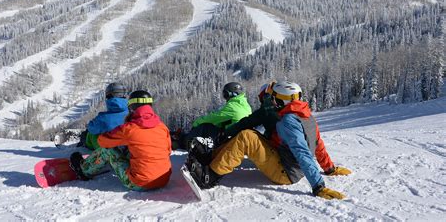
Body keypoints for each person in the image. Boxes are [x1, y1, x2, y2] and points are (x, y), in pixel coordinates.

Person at [188, 81, 351, 200]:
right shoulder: (307, 116)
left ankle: (209, 176)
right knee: (248, 134)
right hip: (283, 160)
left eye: (274, 98)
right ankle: (210, 158)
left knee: (247, 137)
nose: (271, 102)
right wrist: (329, 169)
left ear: (283, 101)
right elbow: (318, 144)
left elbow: (302, 152)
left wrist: (318, 186)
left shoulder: (288, 121)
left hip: (285, 173)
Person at [70, 90, 172, 191]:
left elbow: (103, 142)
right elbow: (168, 151)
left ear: (131, 108)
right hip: (163, 180)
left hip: (139, 183)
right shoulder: (162, 127)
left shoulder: (129, 129)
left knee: (108, 151)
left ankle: (84, 170)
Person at [173, 82, 252, 150]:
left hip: (231, 138)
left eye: (225, 94)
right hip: (239, 136)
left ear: (230, 94)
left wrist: (197, 122)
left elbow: (212, 118)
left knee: (205, 126)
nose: (225, 98)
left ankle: (184, 142)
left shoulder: (232, 106)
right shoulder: (246, 106)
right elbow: (228, 120)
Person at [77, 82, 129, 150]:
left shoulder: (103, 118)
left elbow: (91, 127)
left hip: (109, 150)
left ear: (108, 97)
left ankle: (86, 145)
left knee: (91, 134)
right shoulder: (132, 113)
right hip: (128, 148)